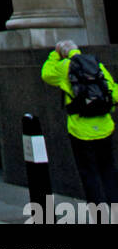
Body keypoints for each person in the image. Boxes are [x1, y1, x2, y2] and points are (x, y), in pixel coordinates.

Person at [41, 40, 118, 205]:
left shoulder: (65, 66)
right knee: (108, 170)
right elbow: (113, 91)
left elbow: (46, 74)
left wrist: (55, 54)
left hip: (80, 130)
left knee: (89, 174)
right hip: (104, 127)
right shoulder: (96, 64)